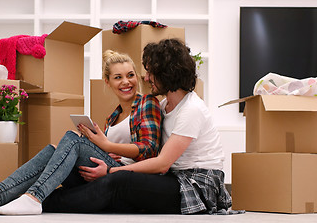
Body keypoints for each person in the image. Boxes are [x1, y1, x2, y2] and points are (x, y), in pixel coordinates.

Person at [42, 38, 233, 215]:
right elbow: (154, 149)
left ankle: (46, 203)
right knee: (108, 181)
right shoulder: (165, 105)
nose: (146, 77)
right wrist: (118, 156)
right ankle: (35, 197)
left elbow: (162, 163)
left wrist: (110, 170)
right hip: (174, 176)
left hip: (197, 184)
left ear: (166, 74)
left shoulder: (192, 109)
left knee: (120, 181)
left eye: (151, 72)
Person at [0, 50, 162, 215]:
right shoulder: (112, 117)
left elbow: (150, 149)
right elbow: (119, 151)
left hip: (126, 178)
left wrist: (107, 146)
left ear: (137, 77)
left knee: (73, 139)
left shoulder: (147, 103)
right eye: (118, 77)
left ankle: (34, 198)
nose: (126, 82)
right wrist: (108, 151)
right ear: (107, 82)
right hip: (105, 169)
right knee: (52, 150)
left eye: (130, 75)